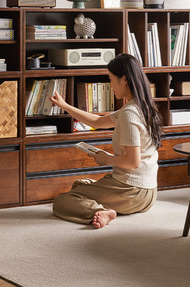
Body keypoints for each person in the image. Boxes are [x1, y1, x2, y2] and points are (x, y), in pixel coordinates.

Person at [49, 53, 162, 229]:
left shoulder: (129, 114)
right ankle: (108, 207)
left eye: (111, 79)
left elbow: (133, 162)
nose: (110, 85)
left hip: (131, 191)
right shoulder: (143, 107)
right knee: (79, 185)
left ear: (124, 80)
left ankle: (101, 211)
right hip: (149, 193)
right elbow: (96, 121)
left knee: (63, 201)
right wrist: (64, 106)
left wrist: (105, 158)